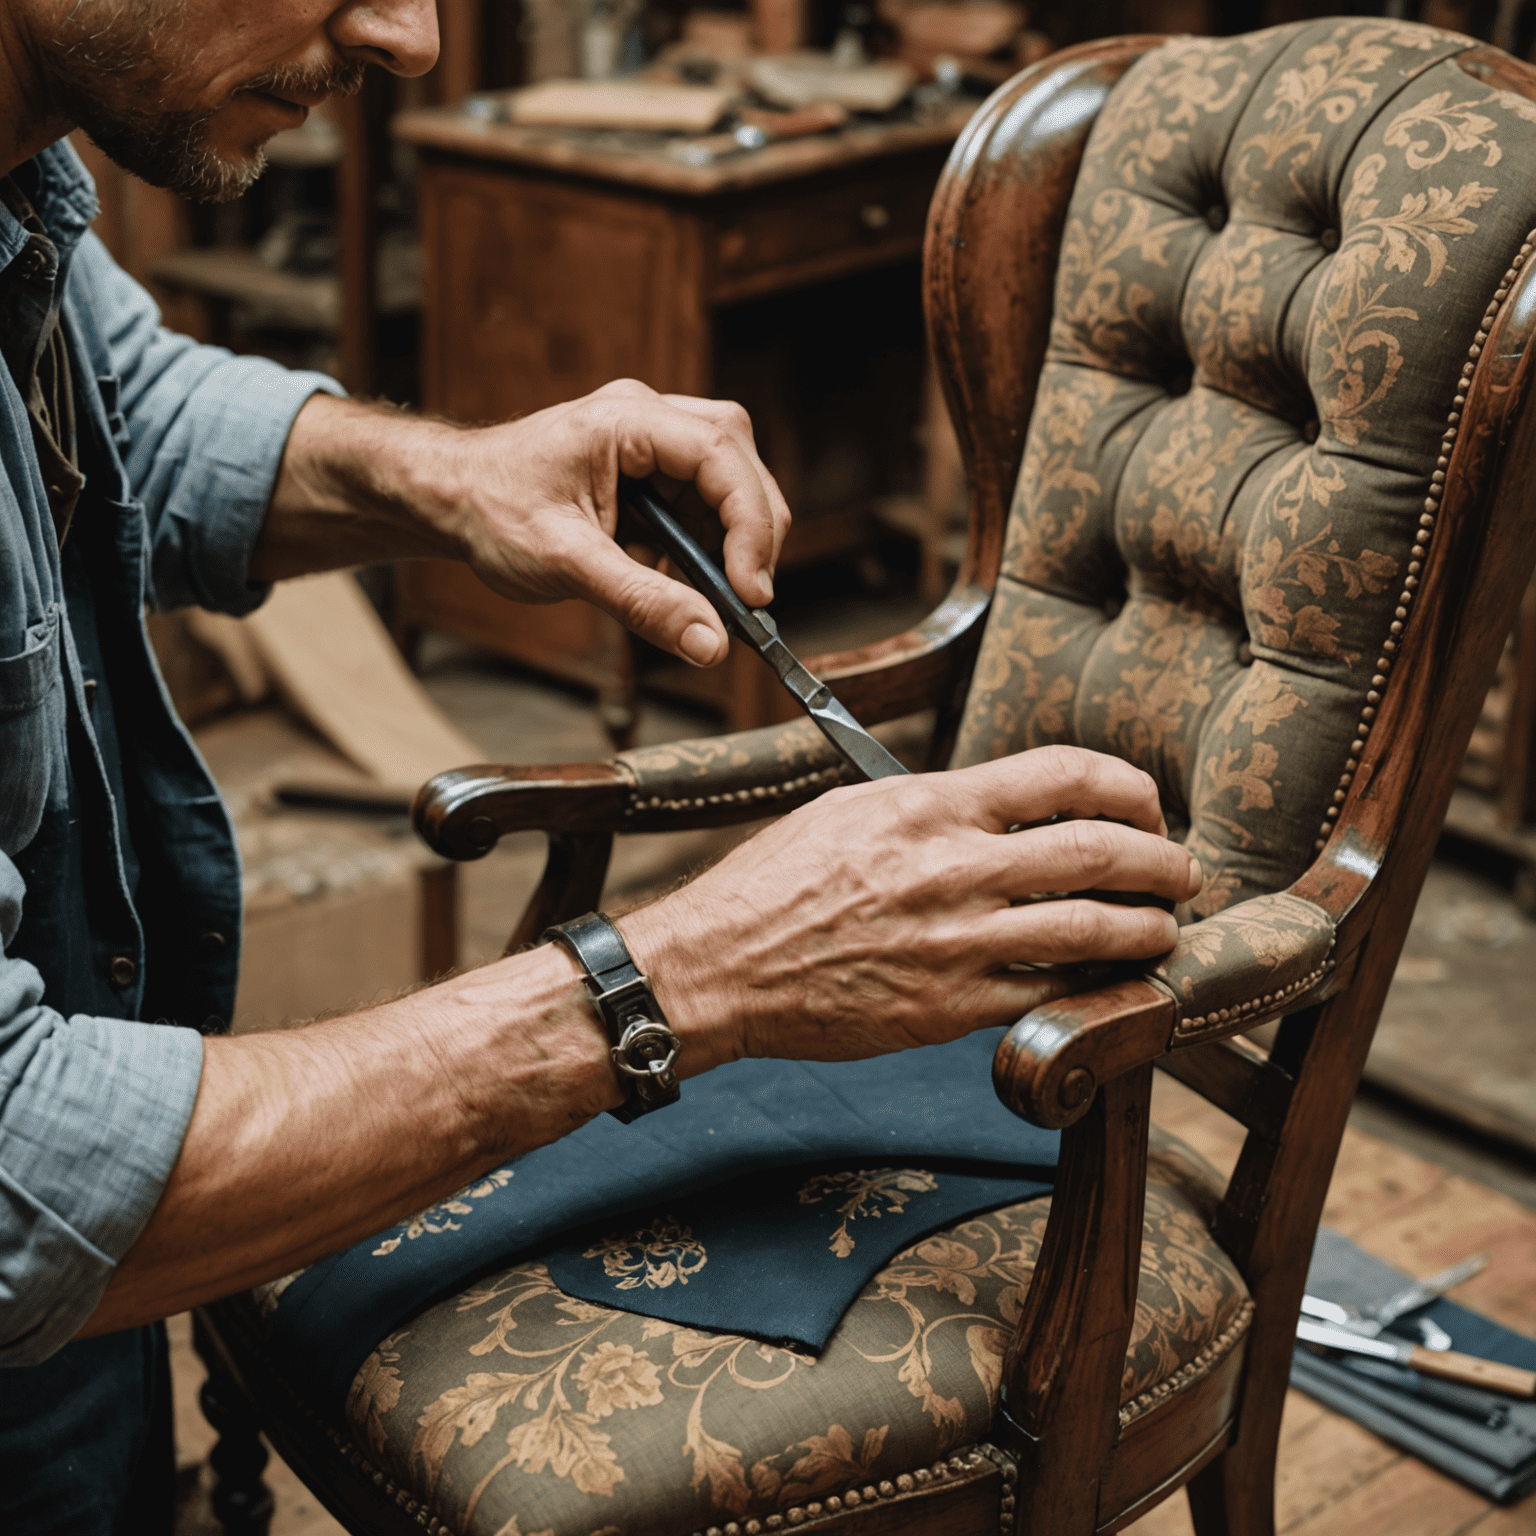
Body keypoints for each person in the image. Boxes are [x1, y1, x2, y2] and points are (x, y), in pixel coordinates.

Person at [0, 0, 1202, 1528]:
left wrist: (448, 472)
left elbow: (130, 411)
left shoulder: (20, 171)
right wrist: (677, 977)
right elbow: (17, 1168)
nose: (412, 40)